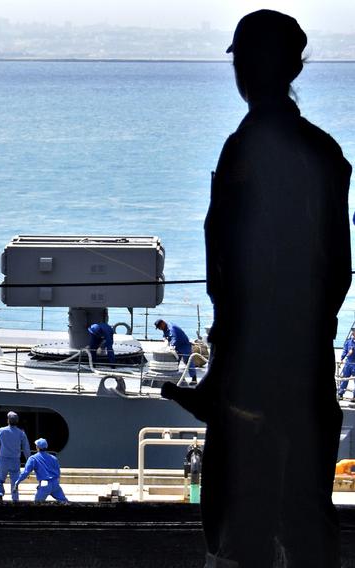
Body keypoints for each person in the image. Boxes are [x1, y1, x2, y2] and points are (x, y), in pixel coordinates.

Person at [162, 10, 351, 566]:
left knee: (240, 533)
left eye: (243, 60)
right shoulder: (326, 153)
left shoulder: (243, 152)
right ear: (296, 66)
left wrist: (221, 376)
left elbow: (237, 276)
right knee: (308, 524)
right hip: (309, 366)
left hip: (251, 377)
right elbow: (337, 271)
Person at [0, 411, 31, 502]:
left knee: (0, 479)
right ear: (17, 421)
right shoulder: (21, 433)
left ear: (8, 420)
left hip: (3, 459)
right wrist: (28, 460)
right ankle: (15, 499)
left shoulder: (1, 431)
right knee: (15, 480)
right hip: (15, 460)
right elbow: (26, 448)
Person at [14, 438, 68, 503]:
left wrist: (17, 482)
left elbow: (26, 472)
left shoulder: (33, 458)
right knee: (64, 502)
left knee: (37, 503)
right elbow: (58, 472)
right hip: (55, 483)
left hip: (44, 483)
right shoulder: (54, 458)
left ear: (37, 447)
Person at [154, 319, 196, 383]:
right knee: (174, 362)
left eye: (159, 327)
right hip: (177, 347)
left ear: (163, 323)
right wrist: (165, 339)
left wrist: (171, 347)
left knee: (188, 362)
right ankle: (174, 377)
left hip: (184, 346)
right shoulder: (165, 328)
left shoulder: (172, 328)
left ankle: (194, 379)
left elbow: (174, 338)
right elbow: (166, 335)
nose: (160, 329)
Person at [338, 329, 355, 400]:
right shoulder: (348, 342)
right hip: (348, 363)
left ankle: (354, 397)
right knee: (344, 379)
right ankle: (340, 394)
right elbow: (345, 350)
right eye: (353, 332)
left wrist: (353, 349)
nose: (353, 333)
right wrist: (341, 359)